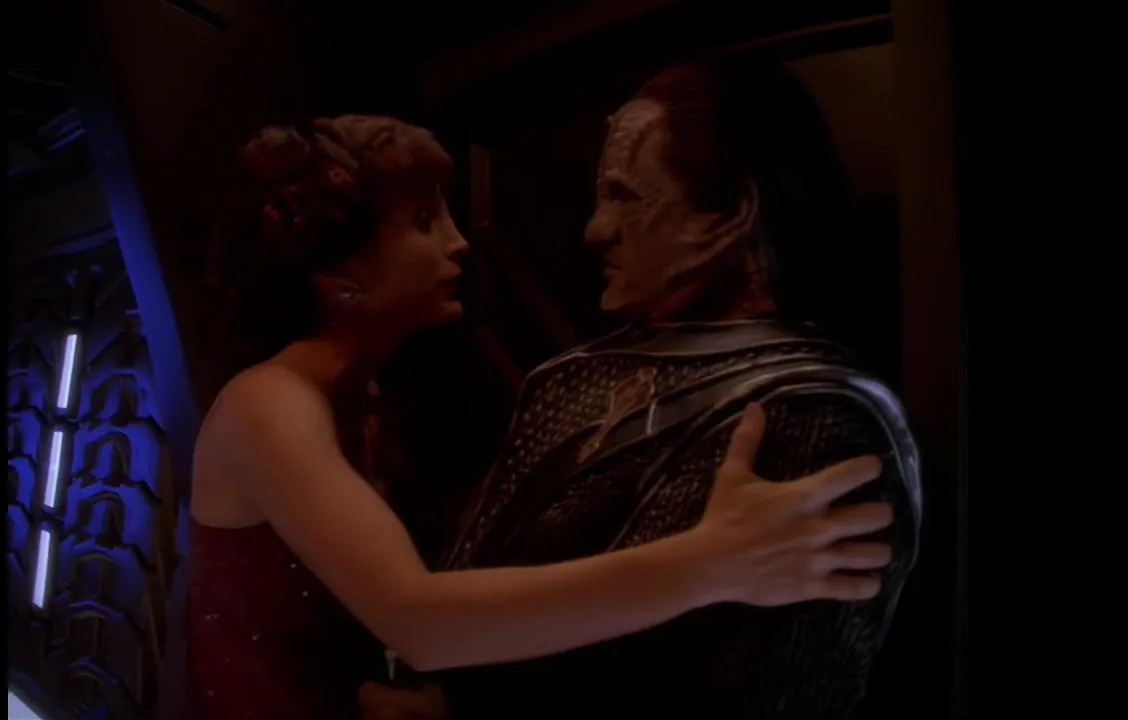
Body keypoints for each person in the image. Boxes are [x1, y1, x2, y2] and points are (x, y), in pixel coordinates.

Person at [186, 115, 895, 720]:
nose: (459, 242)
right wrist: (714, 564)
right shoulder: (269, 405)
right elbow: (419, 620)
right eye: (425, 223)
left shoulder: (363, 396)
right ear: (339, 281)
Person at [377, 58, 921, 719]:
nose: (596, 228)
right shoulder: (575, 372)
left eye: (626, 196)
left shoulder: (812, 412)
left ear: (731, 213)